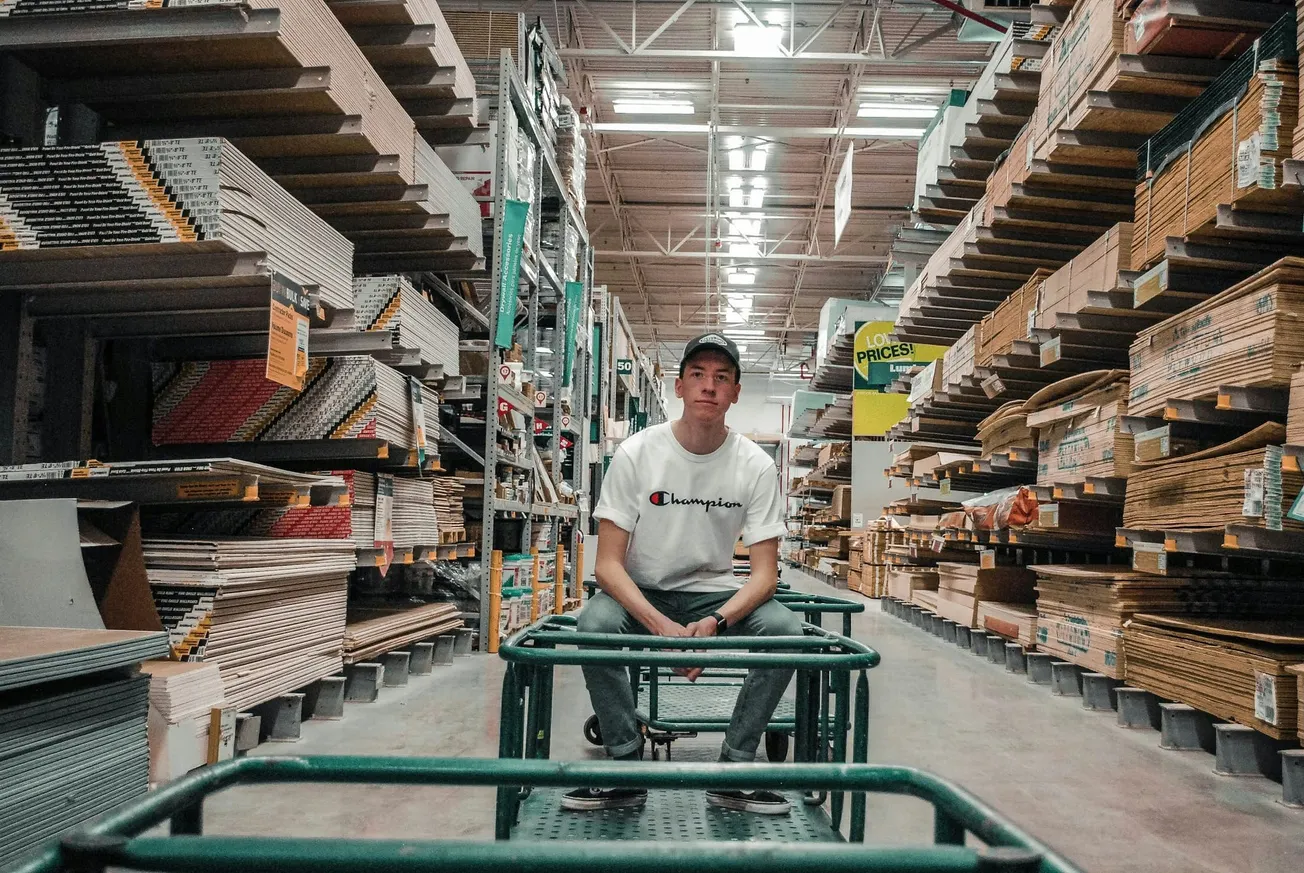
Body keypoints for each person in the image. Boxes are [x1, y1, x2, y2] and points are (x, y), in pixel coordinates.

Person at [561, 332, 801, 815]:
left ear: (735, 392)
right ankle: (624, 768)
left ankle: (733, 770)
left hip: (713, 596)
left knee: (786, 631)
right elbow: (606, 565)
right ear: (678, 386)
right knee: (594, 626)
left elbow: (764, 577)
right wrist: (661, 628)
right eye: (697, 375)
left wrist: (715, 625)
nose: (708, 387)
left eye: (721, 378)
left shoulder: (754, 466)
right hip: (640, 591)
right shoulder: (637, 454)